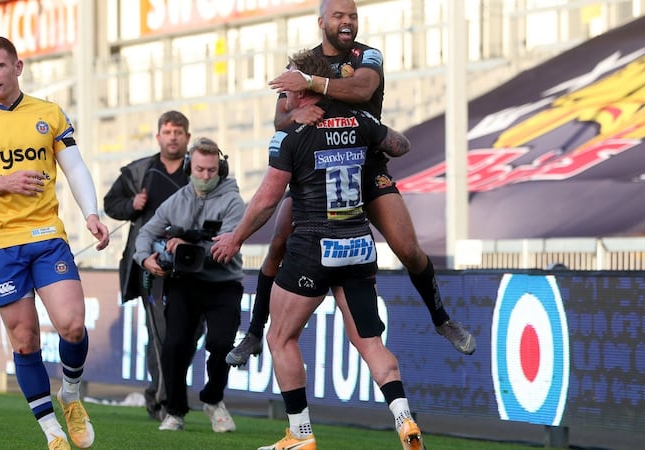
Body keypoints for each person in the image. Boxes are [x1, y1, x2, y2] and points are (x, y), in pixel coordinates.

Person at [225, 0, 475, 367]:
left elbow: (362, 90)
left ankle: (442, 319)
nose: (347, 23)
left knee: (407, 247)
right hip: (315, 170)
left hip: (365, 165)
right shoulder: (299, 61)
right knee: (278, 243)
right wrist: (297, 112)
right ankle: (253, 333)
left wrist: (311, 84)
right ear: (321, 22)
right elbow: (279, 119)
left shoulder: (367, 56)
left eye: (353, 17)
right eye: (339, 17)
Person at [212, 49, 425, 450]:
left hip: (314, 246)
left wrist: (235, 238)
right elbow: (401, 145)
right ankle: (404, 419)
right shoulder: (362, 121)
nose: (283, 98)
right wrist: (370, 141)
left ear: (302, 88)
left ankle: (300, 435)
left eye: (287, 87)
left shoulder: (289, 137)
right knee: (370, 343)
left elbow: (265, 201)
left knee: (280, 337)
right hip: (360, 245)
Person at [0, 36, 109, 450]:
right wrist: (2, 182)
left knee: (71, 325)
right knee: (25, 339)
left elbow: (74, 166)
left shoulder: (48, 113)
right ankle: (52, 433)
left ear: (18, 66)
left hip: (46, 237)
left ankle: (70, 395)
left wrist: (91, 211)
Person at [133, 137, 244, 433]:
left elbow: (225, 249)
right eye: (200, 170)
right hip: (184, 284)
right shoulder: (176, 200)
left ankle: (213, 399)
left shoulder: (233, 201)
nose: (206, 176)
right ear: (188, 168)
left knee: (221, 345)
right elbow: (145, 234)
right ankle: (175, 411)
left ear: (220, 168)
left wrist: (187, 245)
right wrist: (145, 259)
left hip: (224, 284)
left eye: (211, 170)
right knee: (174, 347)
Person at [103, 110, 191, 421]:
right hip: (150, 266)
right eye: (167, 131)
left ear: (187, 138)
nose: (173, 137)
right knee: (160, 335)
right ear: (158, 137)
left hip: (191, 268)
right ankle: (163, 402)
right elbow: (110, 203)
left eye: (178, 132)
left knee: (189, 335)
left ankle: (163, 394)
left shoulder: (199, 170)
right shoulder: (141, 171)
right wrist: (132, 206)